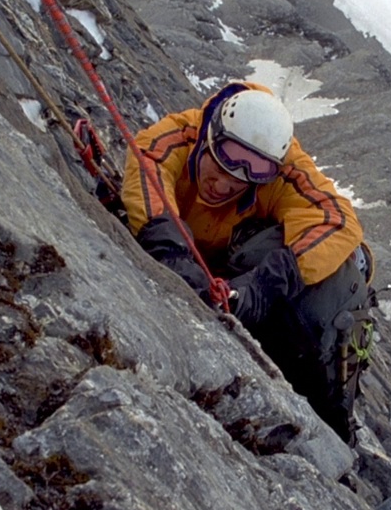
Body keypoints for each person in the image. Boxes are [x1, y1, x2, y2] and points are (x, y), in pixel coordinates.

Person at [121, 81, 374, 445]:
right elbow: (148, 164)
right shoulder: (179, 134)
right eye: (222, 162)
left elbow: (338, 220)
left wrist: (266, 283)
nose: (224, 184)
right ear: (211, 134)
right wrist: (172, 254)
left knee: (340, 269)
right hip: (201, 262)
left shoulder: (286, 170)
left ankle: (328, 418)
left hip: (243, 279)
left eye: (247, 175)